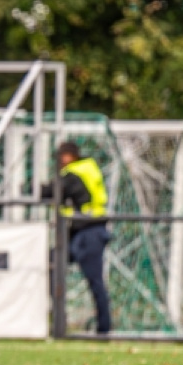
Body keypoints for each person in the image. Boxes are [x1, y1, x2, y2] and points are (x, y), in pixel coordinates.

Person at [43, 141, 112, 335]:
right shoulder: (87, 168)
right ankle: (58, 318)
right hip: (81, 232)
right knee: (52, 261)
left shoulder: (75, 172)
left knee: (95, 281)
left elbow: (54, 190)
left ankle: (103, 329)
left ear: (67, 156)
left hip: (89, 232)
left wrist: (32, 189)